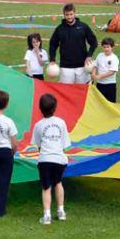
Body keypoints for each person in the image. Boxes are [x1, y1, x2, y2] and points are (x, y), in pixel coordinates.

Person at [31, 93, 71, 225]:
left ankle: (47, 215)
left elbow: (39, 146)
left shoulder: (38, 125)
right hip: (60, 159)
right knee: (58, 183)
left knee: (46, 187)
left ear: (40, 108)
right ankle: (61, 211)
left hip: (45, 160)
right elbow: (65, 145)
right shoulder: (61, 123)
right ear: (55, 107)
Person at [49, 3, 98, 84]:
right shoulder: (59, 29)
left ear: (75, 13)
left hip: (82, 66)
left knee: (82, 91)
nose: (69, 17)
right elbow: (53, 45)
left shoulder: (83, 27)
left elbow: (94, 42)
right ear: (64, 15)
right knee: (66, 92)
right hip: (65, 66)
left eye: (71, 14)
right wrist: (52, 59)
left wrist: (89, 55)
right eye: (67, 14)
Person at [92, 37, 119, 103]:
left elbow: (112, 72)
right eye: (104, 47)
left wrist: (99, 76)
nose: (106, 49)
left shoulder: (114, 58)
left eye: (108, 47)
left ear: (112, 47)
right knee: (99, 103)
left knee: (110, 103)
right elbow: (95, 66)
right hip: (100, 84)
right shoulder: (99, 55)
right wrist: (93, 74)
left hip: (110, 84)